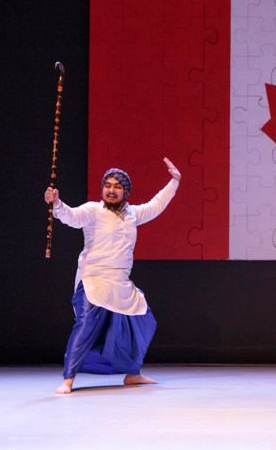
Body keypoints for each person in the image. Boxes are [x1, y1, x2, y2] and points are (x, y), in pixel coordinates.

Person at [44, 157, 181, 394]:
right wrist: (57, 204)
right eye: (108, 185)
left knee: (143, 319)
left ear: (125, 192)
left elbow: (157, 204)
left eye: (117, 186)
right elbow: (71, 216)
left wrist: (175, 181)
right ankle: (68, 379)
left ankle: (132, 374)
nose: (111, 190)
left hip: (120, 283)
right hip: (93, 279)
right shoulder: (93, 210)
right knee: (85, 325)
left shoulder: (133, 214)